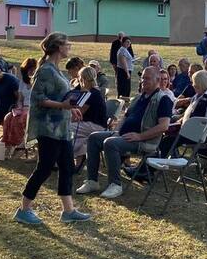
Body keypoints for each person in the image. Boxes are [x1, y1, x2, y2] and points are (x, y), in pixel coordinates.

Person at [16, 33, 90, 225]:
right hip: (48, 129)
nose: (70, 47)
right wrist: (64, 106)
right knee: (45, 168)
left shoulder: (56, 70)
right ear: (58, 47)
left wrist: (71, 109)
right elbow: (38, 99)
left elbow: (60, 97)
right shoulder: (46, 70)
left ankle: (68, 210)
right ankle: (24, 209)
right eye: (68, 44)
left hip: (62, 128)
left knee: (67, 167)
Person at [77, 67, 173, 199]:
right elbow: (126, 117)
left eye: (147, 78)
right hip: (124, 136)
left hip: (144, 141)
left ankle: (115, 184)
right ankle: (92, 181)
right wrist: (116, 132)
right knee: (93, 137)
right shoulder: (139, 97)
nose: (143, 80)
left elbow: (164, 126)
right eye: (142, 77)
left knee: (111, 144)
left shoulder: (163, 99)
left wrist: (140, 136)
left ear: (157, 80)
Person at [159, 70, 207, 156]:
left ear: (200, 83)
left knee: (167, 141)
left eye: (194, 83)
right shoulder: (196, 96)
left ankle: (159, 162)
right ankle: (168, 158)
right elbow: (188, 114)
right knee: (164, 134)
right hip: (186, 130)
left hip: (197, 133)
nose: (193, 85)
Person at [70, 66, 110, 167]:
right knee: (80, 139)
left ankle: (61, 155)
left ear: (82, 78)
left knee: (66, 128)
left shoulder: (92, 93)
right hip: (91, 124)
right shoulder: (89, 91)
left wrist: (64, 119)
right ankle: (78, 160)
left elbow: (78, 114)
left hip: (96, 126)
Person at [115, 36, 135, 101]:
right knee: (124, 89)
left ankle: (125, 104)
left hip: (126, 71)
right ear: (123, 42)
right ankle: (122, 104)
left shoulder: (125, 49)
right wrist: (127, 73)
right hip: (123, 72)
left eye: (130, 42)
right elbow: (123, 62)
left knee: (127, 89)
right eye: (127, 42)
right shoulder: (122, 50)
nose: (129, 43)